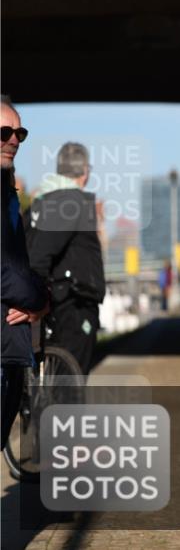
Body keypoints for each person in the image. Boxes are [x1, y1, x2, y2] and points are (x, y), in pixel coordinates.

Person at [27, 141, 106, 374]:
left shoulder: (42, 202)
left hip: (54, 301)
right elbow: (41, 253)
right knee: (70, 383)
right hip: (72, 302)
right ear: (85, 171)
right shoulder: (69, 202)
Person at [1, 96, 49, 451]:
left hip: (9, 345)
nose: (14, 140)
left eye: (20, 132)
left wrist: (37, 301)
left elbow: (17, 263)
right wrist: (39, 297)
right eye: (4, 132)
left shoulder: (7, 187)